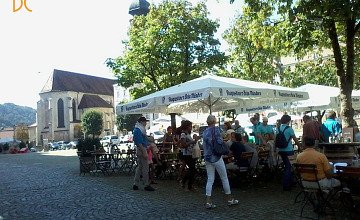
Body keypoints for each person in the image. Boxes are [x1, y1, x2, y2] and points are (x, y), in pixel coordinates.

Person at [202, 115, 239, 209]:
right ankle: (230, 199)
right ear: (214, 121)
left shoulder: (204, 132)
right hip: (216, 157)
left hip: (207, 158)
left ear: (207, 122)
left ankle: (208, 202)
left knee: (210, 179)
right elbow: (219, 141)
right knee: (224, 178)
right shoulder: (216, 129)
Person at [278, 114, 301, 191]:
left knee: (286, 166)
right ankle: (286, 185)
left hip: (281, 150)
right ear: (288, 121)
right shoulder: (289, 129)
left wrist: (275, 149)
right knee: (289, 167)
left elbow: (275, 140)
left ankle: (289, 183)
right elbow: (295, 140)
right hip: (289, 150)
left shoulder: (278, 128)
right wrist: (300, 147)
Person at [132, 116, 155, 191]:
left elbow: (143, 140)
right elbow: (139, 142)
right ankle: (146, 184)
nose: (146, 123)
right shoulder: (138, 130)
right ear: (142, 122)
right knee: (145, 168)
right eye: (145, 122)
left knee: (140, 167)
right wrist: (144, 151)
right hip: (142, 149)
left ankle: (135, 184)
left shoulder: (139, 129)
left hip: (141, 149)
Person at [179, 120, 199, 191]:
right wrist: (192, 141)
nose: (191, 127)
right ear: (187, 127)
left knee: (192, 170)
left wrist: (195, 141)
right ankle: (187, 184)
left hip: (191, 154)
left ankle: (186, 184)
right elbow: (183, 145)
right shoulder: (183, 134)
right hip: (186, 154)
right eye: (190, 126)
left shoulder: (188, 134)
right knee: (192, 170)